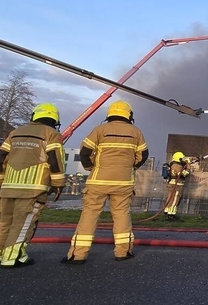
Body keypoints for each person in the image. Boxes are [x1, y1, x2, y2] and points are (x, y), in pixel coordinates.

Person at [62, 101, 148, 264]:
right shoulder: (136, 132)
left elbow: (85, 152)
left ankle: (78, 255)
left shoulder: (99, 130)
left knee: (89, 214)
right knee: (122, 214)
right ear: (129, 115)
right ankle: (123, 252)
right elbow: (143, 155)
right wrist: (130, 167)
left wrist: (90, 167)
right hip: (123, 183)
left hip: (98, 181)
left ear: (109, 114)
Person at [0, 103, 66, 267]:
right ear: (54, 119)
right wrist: (58, 184)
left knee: (6, 222)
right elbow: (54, 160)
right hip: (33, 189)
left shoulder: (15, 133)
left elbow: (0, 160)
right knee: (23, 223)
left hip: (8, 188)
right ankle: (11, 258)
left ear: (34, 116)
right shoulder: (51, 134)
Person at [161, 151, 191, 221]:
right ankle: (171, 214)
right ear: (179, 158)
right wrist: (188, 166)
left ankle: (167, 211)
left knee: (170, 198)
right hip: (176, 185)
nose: (183, 159)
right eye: (182, 158)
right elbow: (185, 174)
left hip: (173, 184)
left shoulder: (174, 164)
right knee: (175, 199)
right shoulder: (177, 166)